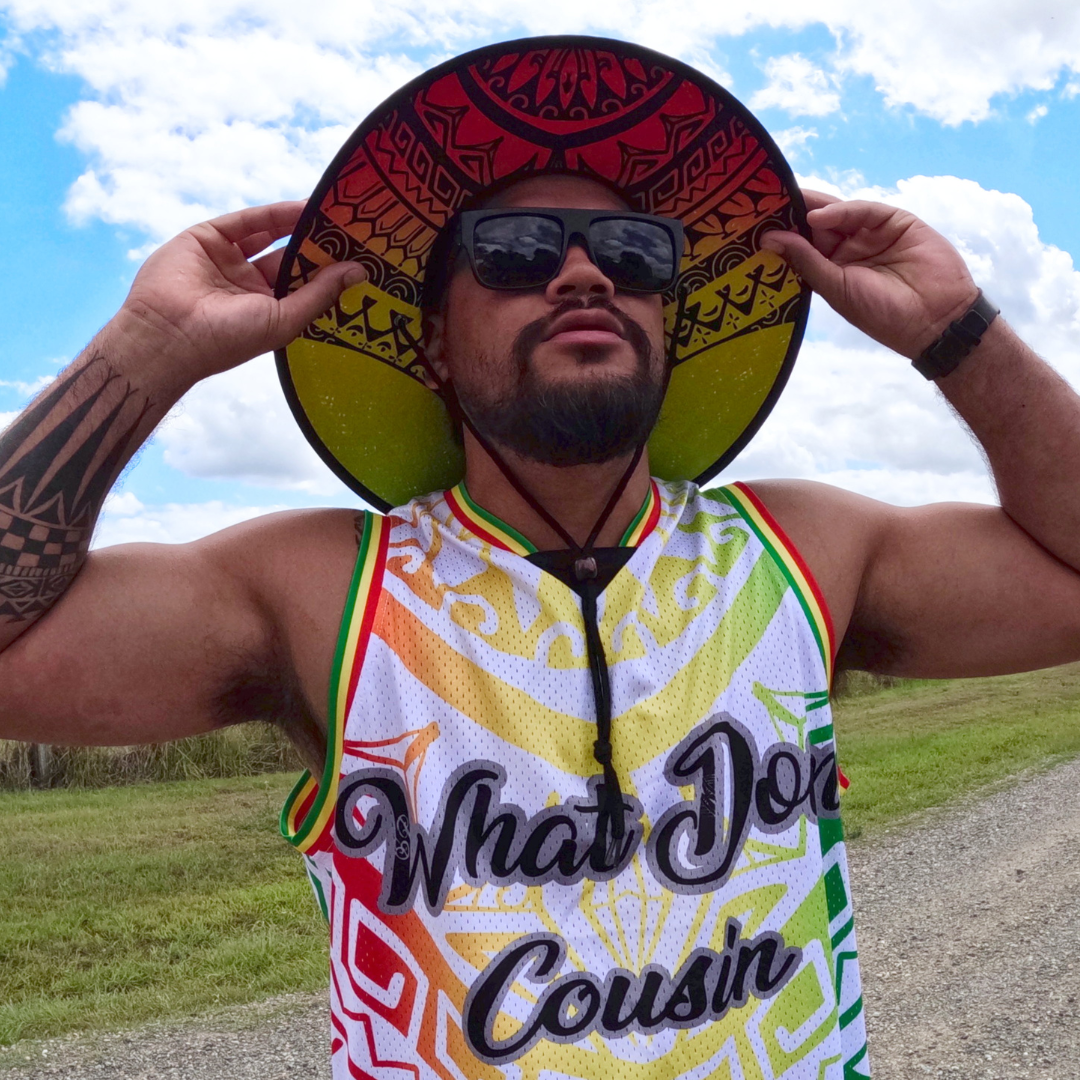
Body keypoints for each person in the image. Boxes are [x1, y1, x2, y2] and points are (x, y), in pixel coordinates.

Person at [3, 36, 1080, 1080]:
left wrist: (956, 329)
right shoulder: (324, 590)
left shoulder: (805, 552)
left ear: (669, 318)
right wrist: (147, 349)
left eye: (631, 255)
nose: (581, 275)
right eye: (514, 252)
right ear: (429, 342)